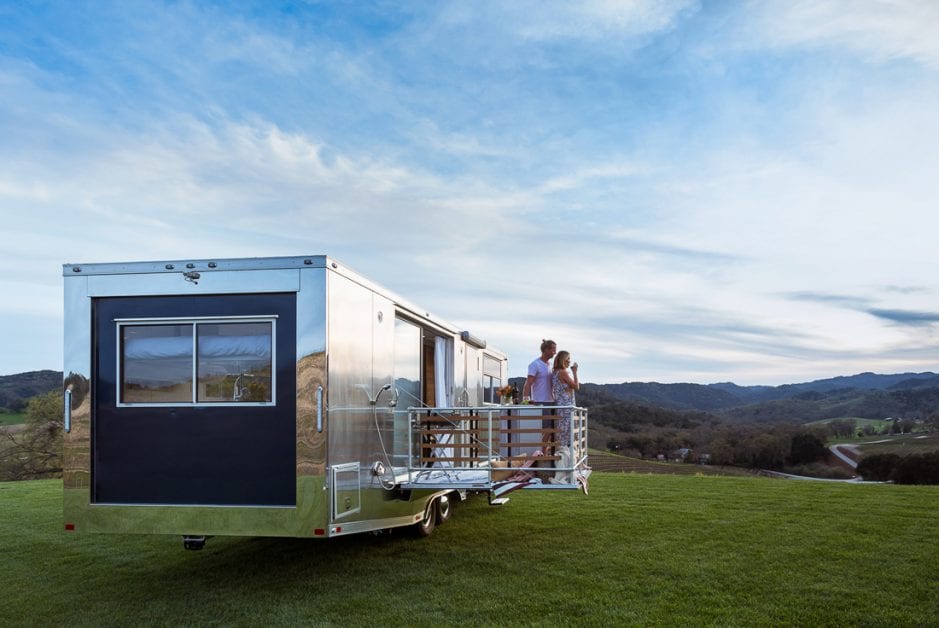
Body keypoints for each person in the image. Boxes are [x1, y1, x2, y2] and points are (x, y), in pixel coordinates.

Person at [549, 350, 579, 483]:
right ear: (562, 359)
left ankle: (566, 468)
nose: (569, 361)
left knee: (563, 437)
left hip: (561, 407)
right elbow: (576, 387)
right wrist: (575, 372)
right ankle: (565, 471)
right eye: (568, 358)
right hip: (567, 407)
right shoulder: (563, 372)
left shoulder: (555, 373)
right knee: (567, 437)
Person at [523, 339, 556, 404]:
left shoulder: (551, 365)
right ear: (546, 350)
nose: (555, 352)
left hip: (552, 402)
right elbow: (528, 384)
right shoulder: (535, 364)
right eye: (553, 350)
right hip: (539, 402)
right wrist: (526, 402)